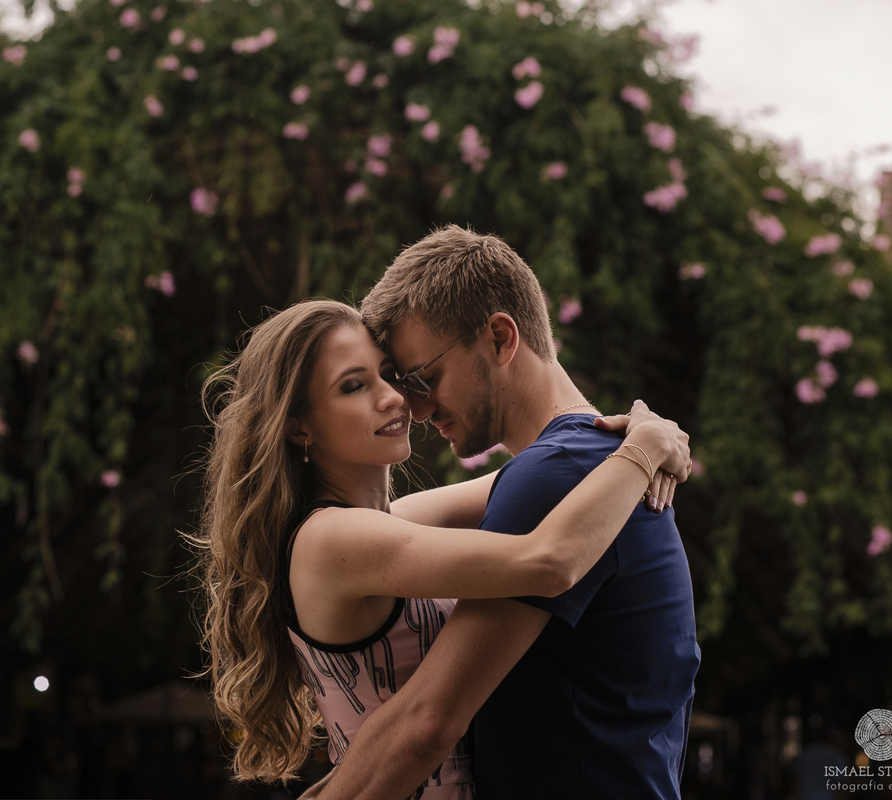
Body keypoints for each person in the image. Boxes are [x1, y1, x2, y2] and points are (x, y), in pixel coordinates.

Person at [191, 297, 690, 797]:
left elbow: (550, 474)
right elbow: (549, 560)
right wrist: (644, 450)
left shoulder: (387, 524)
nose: (393, 398)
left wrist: (631, 435)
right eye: (353, 386)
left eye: (390, 375)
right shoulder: (332, 540)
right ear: (299, 425)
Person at [305, 226, 702, 800]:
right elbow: (383, 525)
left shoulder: (558, 474)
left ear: (499, 337)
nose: (414, 409)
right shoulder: (585, 465)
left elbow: (428, 720)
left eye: (423, 378)